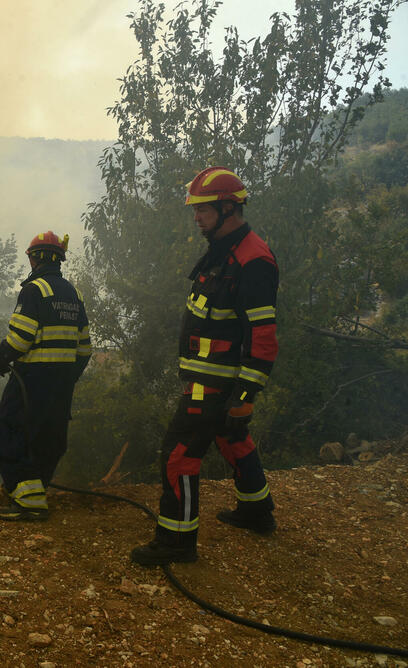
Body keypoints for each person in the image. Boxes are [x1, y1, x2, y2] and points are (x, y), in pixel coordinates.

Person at [130, 167, 279, 566]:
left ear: (228, 208)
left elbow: (263, 337)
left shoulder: (253, 260)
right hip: (206, 378)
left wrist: (245, 395)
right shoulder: (224, 250)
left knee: (178, 455)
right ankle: (256, 510)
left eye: (203, 210)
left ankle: (177, 542)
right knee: (232, 438)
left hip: (215, 383)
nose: (196, 217)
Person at [0, 231, 92, 521]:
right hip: (61, 384)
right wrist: (69, 376)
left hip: (30, 381)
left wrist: (0, 357)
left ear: (35, 258)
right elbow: (85, 347)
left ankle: (29, 502)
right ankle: (35, 493)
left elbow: (20, 338)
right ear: (59, 259)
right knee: (48, 437)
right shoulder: (73, 293)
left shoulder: (35, 290)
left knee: (8, 432)